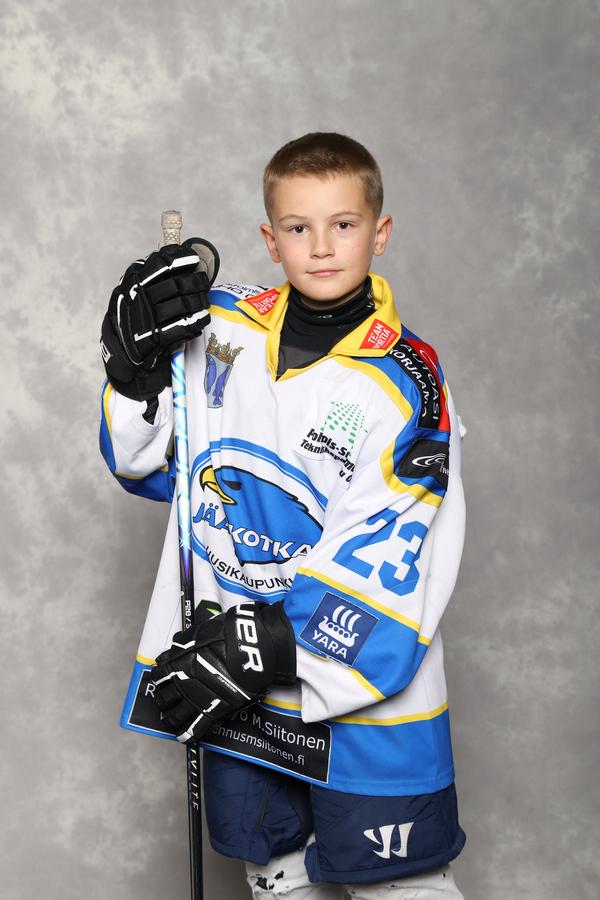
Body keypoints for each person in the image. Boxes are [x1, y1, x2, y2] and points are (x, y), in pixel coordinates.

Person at [99, 132, 467, 899]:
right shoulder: (219, 328)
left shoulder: (408, 381)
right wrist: (132, 373)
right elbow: (149, 464)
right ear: (271, 240)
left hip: (356, 693)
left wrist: (253, 644)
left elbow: (394, 551)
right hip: (239, 684)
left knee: (401, 885)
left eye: (344, 224)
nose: (322, 246)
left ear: (380, 232)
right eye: (299, 227)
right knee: (274, 871)